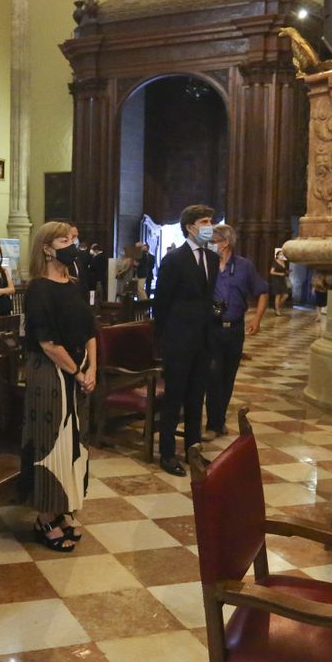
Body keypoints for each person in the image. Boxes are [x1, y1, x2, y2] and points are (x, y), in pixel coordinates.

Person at [21, 222, 97, 553]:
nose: (72, 245)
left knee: (74, 442)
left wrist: (91, 366)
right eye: (64, 240)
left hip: (78, 369)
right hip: (50, 373)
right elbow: (47, 342)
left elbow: (90, 329)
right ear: (47, 248)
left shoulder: (75, 284)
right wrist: (78, 372)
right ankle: (44, 517)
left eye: (73, 239)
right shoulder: (38, 288)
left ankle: (63, 507)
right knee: (51, 443)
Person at [151, 204, 217, 476]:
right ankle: (167, 454)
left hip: (202, 339)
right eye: (204, 221)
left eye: (211, 221)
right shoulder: (174, 259)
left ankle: (193, 449)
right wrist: (163, 342)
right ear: (190, 227)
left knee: (196, 397)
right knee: (174, 398)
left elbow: (207, 298)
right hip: (178, 340)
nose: (209, 226)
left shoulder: (211, 259)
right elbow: (161, 303)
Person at [206, 224, 269, 436]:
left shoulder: (244, 266)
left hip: (234, 329)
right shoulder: (208, 264)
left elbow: (262, 291)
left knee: (227, 377)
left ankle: (219, 419)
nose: (211, 245)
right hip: (212, 328)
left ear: (225, 243)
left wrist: (257, 318)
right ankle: (213, 424)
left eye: (213, 241)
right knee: (213, 375)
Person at [267, 245, 291, 314]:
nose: (282, 256)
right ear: (277, 256)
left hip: (282, 280)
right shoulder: (275, 262)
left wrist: (287, 272)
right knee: (278, 295)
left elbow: (284, 270)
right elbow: (271, 272)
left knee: (286, 295)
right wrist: (279, 274)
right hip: (276, 280)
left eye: (282, 254)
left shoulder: (284, 262)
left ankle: (277, 307)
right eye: (280, 254)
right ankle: (277, 310)